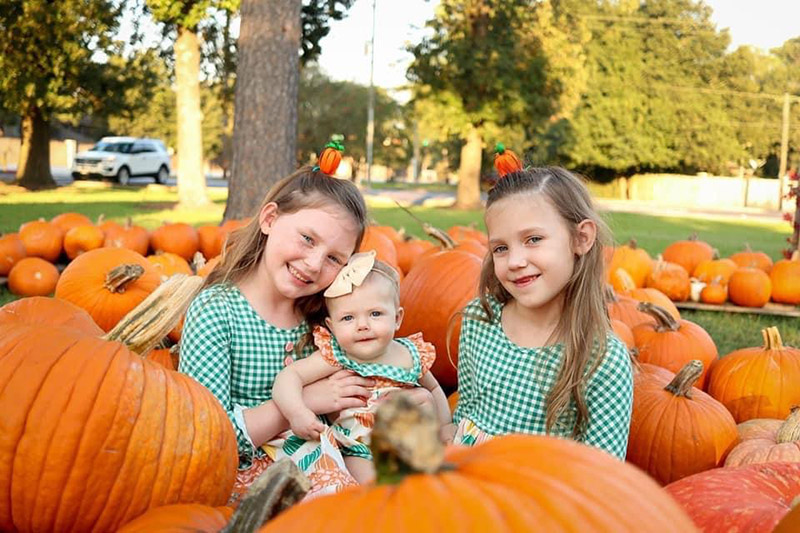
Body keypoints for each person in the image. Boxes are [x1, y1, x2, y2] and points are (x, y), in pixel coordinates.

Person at [179, 159, 378, 501]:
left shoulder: (323, 316)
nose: (314, 264)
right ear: (270, 219)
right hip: (241, 475)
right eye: (307, 239)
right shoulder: (217, 311)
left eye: (335, 259)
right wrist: (302, 402)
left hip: (322, 459)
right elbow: (208, 435)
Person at [444, 148, 633, 459]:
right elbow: (465, 418)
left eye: (533, 239)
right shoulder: (479, 319)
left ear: (581, 238)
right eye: (501, 248)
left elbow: (600, 476)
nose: (515, 261)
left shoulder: (602, 359)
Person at [272, 251, 451, 484]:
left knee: (424, 398)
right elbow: (289, 376)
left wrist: (446, 426)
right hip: (361, 450)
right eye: (348, 318)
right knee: (375, 492)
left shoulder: (410, 353)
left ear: (397, 319)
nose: (363, 326)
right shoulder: (338, 355)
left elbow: (436, 390)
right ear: (332, 326)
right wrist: (296, 412)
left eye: (375, 314)